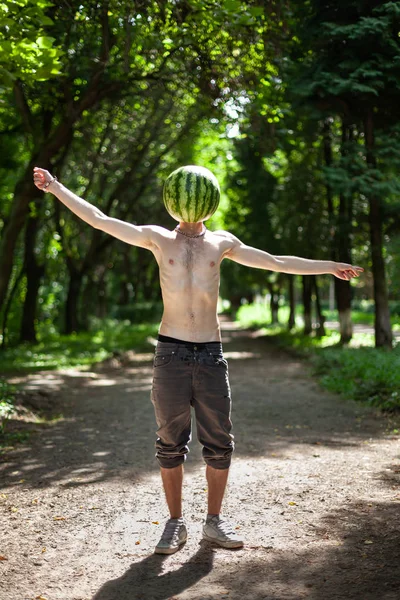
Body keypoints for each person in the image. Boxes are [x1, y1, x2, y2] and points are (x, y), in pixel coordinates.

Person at [33, 166, 363, 554]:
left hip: (210, 354)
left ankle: (213, 522)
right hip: (170, 352)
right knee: (169, 444)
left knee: (219, 443)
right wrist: (55, 188)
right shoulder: (156, 238)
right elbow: (100, 220)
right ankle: (175, 524)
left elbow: (275, 260)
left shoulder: (222, 243)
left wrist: (329, 266)